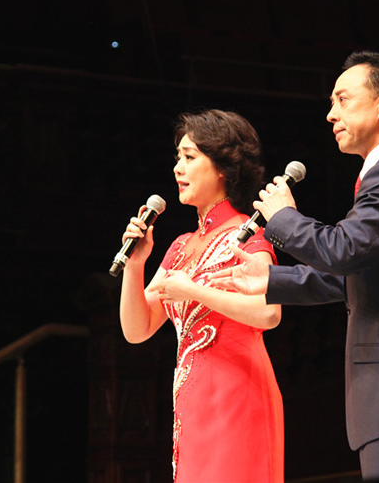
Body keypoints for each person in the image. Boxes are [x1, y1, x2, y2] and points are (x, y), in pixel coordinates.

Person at [210, 51, 379, 479]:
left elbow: (343, 250)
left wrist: (283, 218)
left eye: (343, 100)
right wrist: (270, 278)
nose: (331, 115)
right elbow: (354, 273)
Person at [119, 109, 284, 483]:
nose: (178, 167)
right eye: (178, 157)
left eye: (190, 157)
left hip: (237, 393)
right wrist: (136, 264)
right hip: (191, 402)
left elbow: (268, 313)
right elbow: (136, 329)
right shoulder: (180, 246)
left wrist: (193, 290)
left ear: (223, 167)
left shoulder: (248, 233)